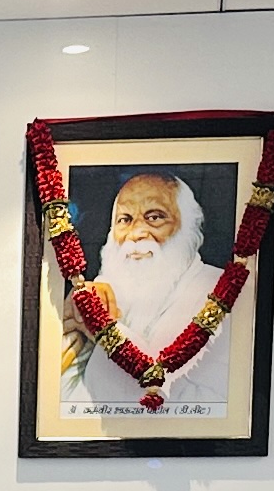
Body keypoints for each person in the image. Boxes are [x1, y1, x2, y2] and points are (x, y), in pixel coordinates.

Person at [60, 171, 227, 414]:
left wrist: (105, 331)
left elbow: (215, 407)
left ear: (188, 228)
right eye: (125, 219)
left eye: (155, 217)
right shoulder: (104, 291)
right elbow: (67, 404)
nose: (136, 233)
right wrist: (72, 331)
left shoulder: (219, 291)